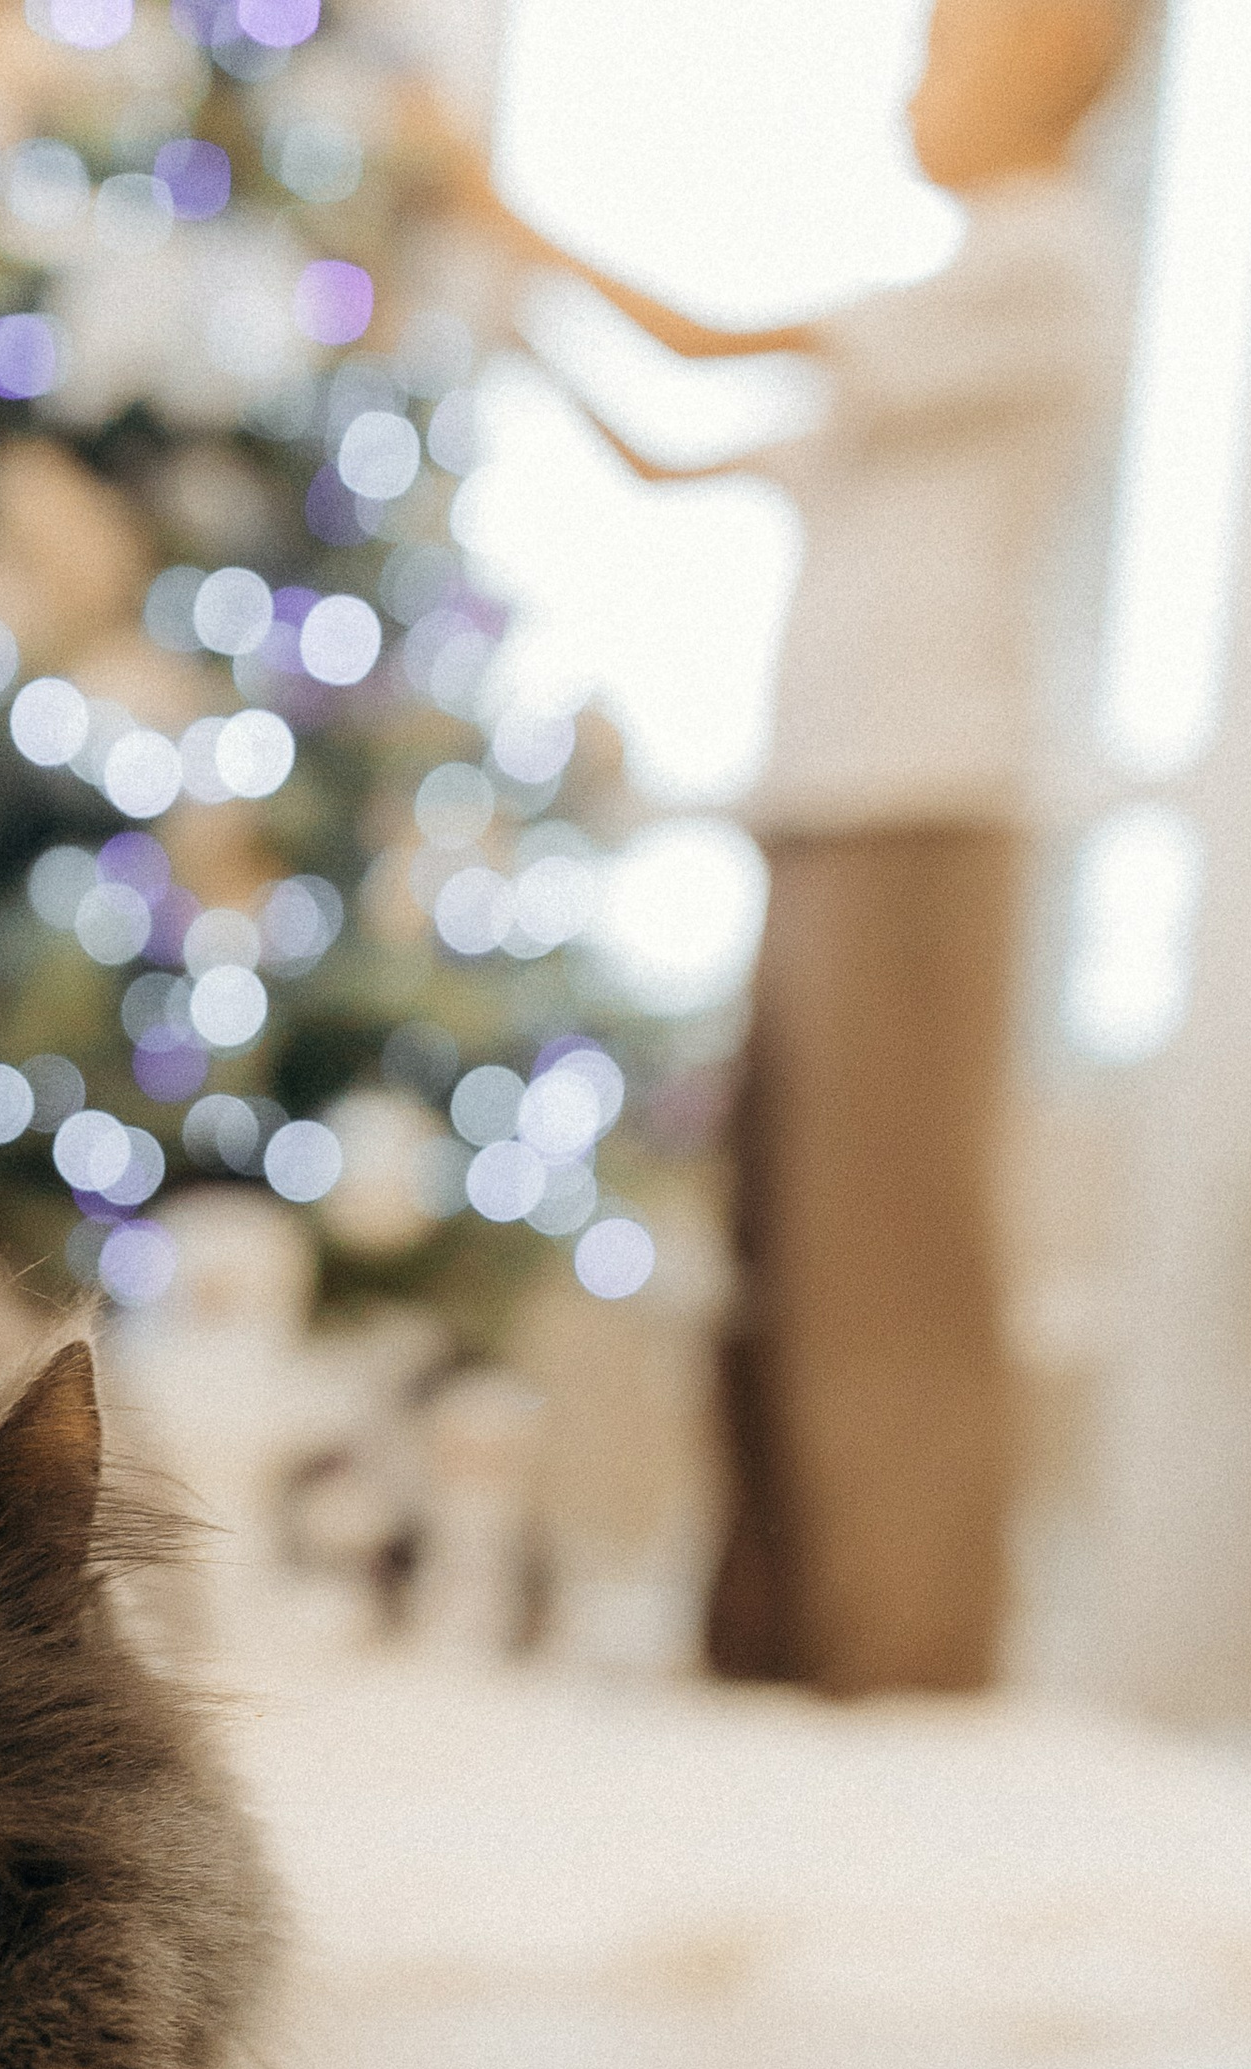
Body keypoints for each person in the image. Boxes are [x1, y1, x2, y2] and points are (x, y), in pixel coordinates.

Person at [491, 0, 1133, 1695]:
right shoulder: (938, 318)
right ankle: (778, 1633)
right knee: (786, 1228)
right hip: (827, 801)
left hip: (928, 803)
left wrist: (507, 217)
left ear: (1060, 57)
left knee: (892, 1249)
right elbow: (668, 449)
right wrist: (516, 326)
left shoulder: (1038, 267)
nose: (919, 77)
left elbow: (711, 347)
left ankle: (909, 1653)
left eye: (953, 45)